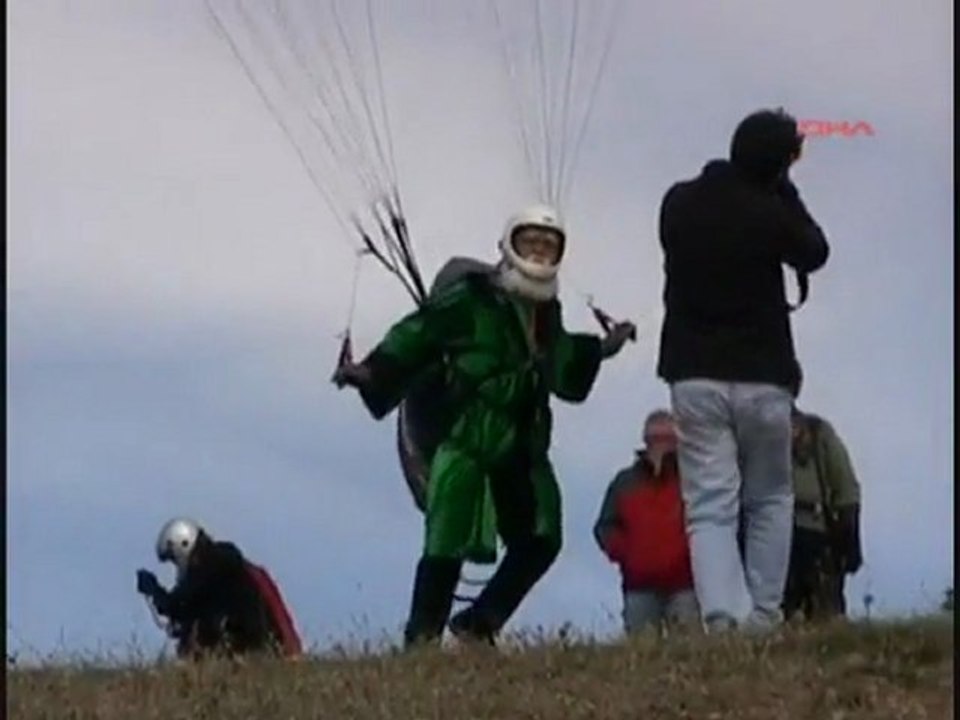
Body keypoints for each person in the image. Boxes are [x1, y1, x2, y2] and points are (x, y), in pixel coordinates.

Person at [333, 203, 636, 647]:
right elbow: (420, 331)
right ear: (508, 245)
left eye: (548, 245)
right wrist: (374, 371)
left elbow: (561, 360)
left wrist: (601, 350)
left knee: (542, 534)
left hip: (522, 442)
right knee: (447, 538)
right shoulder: (471, 297)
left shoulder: (545, 312)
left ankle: (479, 624)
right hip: (467, 436)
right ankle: (422, 638)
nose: (538, 253)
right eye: (530, 242)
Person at [655, 108, 830, 632]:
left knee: (709, 501)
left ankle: (722, 616)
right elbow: (815, 252)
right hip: (762, 373)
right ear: (780, 164)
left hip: (693, 371)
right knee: (770, 497)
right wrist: (785, 191)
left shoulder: (678, 202)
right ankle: (764, 613)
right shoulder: (772, 211)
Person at [593, 409, 699, 634]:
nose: (661, 445)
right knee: (641, 657)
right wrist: (628, 555)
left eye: (667, 439)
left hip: (686, 584)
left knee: (690, 654)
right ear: (646, 441)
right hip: (639, 585)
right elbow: (605, 527)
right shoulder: (624, 482)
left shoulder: (693, 479)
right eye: (655, 439)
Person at [136, 518, 302, 658]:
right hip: (256, 645)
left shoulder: (216, 562)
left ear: (183, 546)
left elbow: (178, 605)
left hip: (255, 647)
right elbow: (185, 611)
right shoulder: (220, 568)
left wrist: (154, 590)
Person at [783, 407, 863, 621]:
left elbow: (845, 488)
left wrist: (849, 538)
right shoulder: (816, 430)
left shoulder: (818, 431)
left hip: (808, 532)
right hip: (796, 531)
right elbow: (846, 488)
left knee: (820, 611)